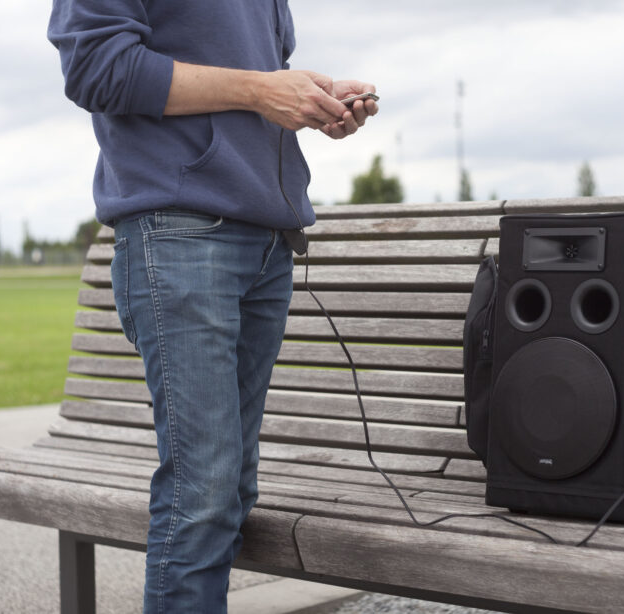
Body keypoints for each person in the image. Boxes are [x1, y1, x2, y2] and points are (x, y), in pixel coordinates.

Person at [47, 2, 378, 612]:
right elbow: (94, 66)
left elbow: (251, 76)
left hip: (265, 244)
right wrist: (260, 91)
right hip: (181, 238)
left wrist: (311, 99)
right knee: (201, 496)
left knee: (228, 491)